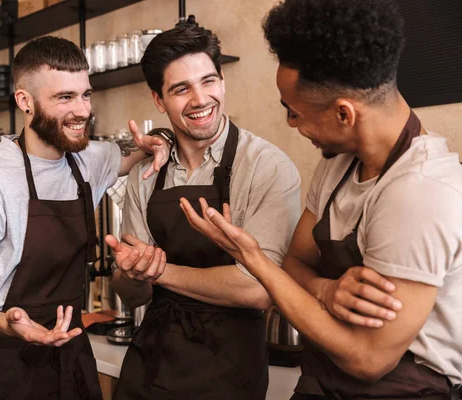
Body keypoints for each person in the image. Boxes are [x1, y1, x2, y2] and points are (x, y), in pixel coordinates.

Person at [180, 1, 462, 399]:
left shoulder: (420, 192)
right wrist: (326, 291)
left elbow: (368, 359)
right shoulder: (338, 166)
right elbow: (295, 262)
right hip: (319, 382)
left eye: (294, 113)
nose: (292, 125)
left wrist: (254, 259)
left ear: (344, 114)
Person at [0, 36, 172, 400]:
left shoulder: (88, 158)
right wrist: (5, 325)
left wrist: (159, 138)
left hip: (73, 358)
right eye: (64, 98)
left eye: (85, 94)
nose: (83, 110)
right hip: (5, 368)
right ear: (25, 102)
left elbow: (129, 153)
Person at [105, 25, 301, 399]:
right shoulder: (144, 175)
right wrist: (131, 274)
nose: (200, 99)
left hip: (229, 372)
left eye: (208, 81)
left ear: (223, 81)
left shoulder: (267, 167)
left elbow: (259, 289)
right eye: (181, 89)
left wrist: (159, 271)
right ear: (159, 100)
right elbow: (132, 296)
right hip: (149, 365)